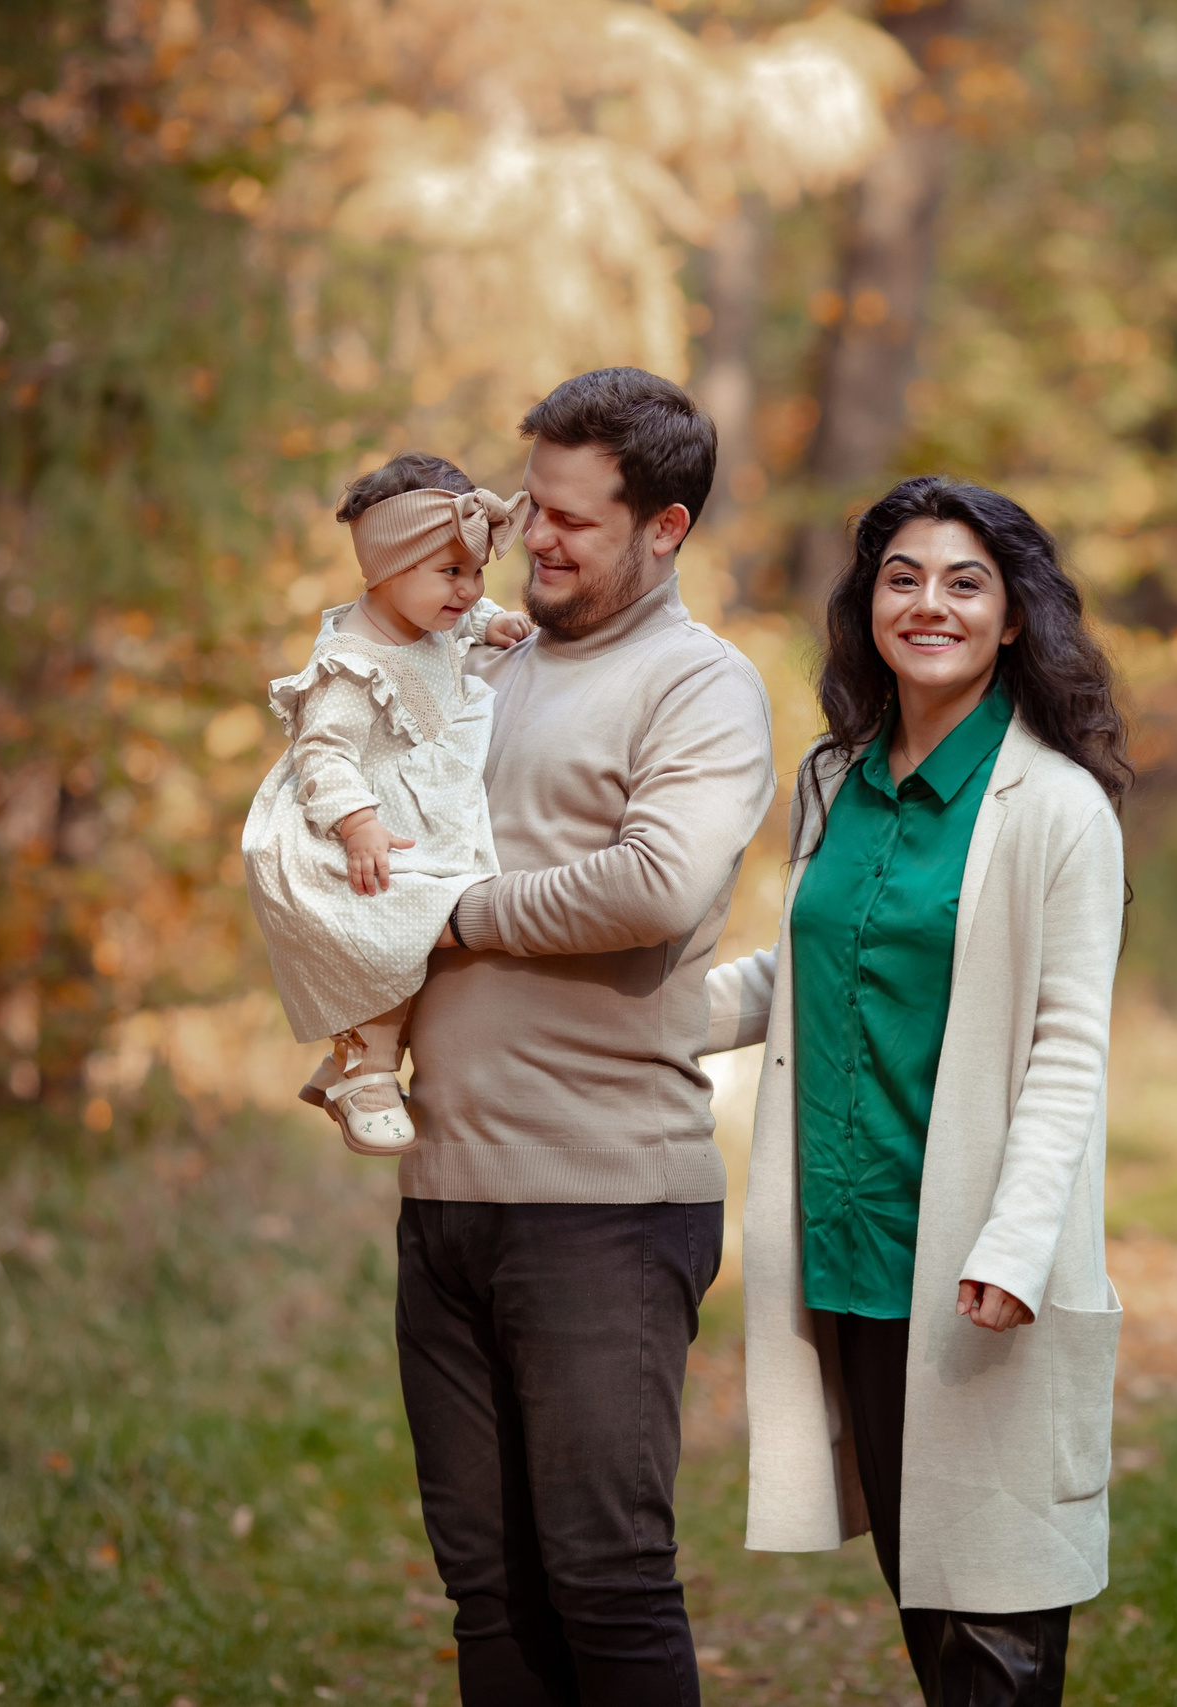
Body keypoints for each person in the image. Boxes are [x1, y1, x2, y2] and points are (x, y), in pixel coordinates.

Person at [706, 475, 1131, 1706]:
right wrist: (629, 1015)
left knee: (993, 1630)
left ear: (1012, 620)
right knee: (926, 1605)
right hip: (849, 1248)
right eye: (902, 577)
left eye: (964, 582)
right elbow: (814, 967)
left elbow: (1067, 1046)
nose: (928, 604)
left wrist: (1013, 1241)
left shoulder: (1056, 807)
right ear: (868, 606)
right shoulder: (832, 778)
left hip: (975, 1263)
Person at [393, 370, 777, 1706]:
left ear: (664, 528)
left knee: (605, 1581)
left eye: (571, 519)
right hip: (444, 1194)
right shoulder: (478, 660)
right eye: (527, 510)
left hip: (603, 1202)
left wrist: (452, 918)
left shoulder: (700, 686)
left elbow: (654, 885)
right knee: (491, 1592)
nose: (535, 539)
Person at [241, 452, 532, 1154]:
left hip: (410, 808)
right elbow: (324, 753)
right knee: (397, 921)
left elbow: (457, 619)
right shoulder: (351, 662)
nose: (468, 590)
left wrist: (484, 623)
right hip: (350, 826)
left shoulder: (427, 615)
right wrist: (358, 822)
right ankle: (365, 1073)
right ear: (386, 571)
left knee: (423, 926)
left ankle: (354, 1052)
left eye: (476, 572)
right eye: (451, 573)